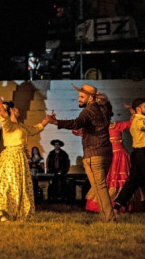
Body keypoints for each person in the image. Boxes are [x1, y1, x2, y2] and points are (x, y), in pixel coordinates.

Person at [48, 84, 115, 222]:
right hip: (107, 153)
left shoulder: (88, 111)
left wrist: (56, 122)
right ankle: (107, 218)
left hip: (93, 154)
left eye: (82, 96)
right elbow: (98, 128)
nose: (79, 99)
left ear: (91, 98)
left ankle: (110, 220)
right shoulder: (104, 109)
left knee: (99, 188)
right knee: (101, 187)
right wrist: (83, 133)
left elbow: (76, 123)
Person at [0, 95, 51, 221]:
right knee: (9, 184)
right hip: (11, 157)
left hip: (20, 157)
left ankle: (16, 212)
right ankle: (4, 214)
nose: (18, 109)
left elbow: (33, 129)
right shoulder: (8, 125)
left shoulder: (21, 126)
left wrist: (46, 121)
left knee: (19, 185)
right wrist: (1, 105)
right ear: (11, 110)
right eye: (15, 108)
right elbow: (3, 117)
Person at [84, 105, 144, 212]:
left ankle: (121, 205)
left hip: (120, 157)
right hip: (108, 156)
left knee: (124, 180)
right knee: (105, 180)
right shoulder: (98, 129)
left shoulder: (117, 126)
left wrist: (132, 111)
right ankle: (104, 205)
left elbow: (133, 122)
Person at [113, 98, 145, 215]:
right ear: (138, 109)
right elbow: (142, 124)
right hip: (143, 153)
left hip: (142, 153)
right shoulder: (137, 120)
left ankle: (117, 205)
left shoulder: (143, 118)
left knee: (133, 182)